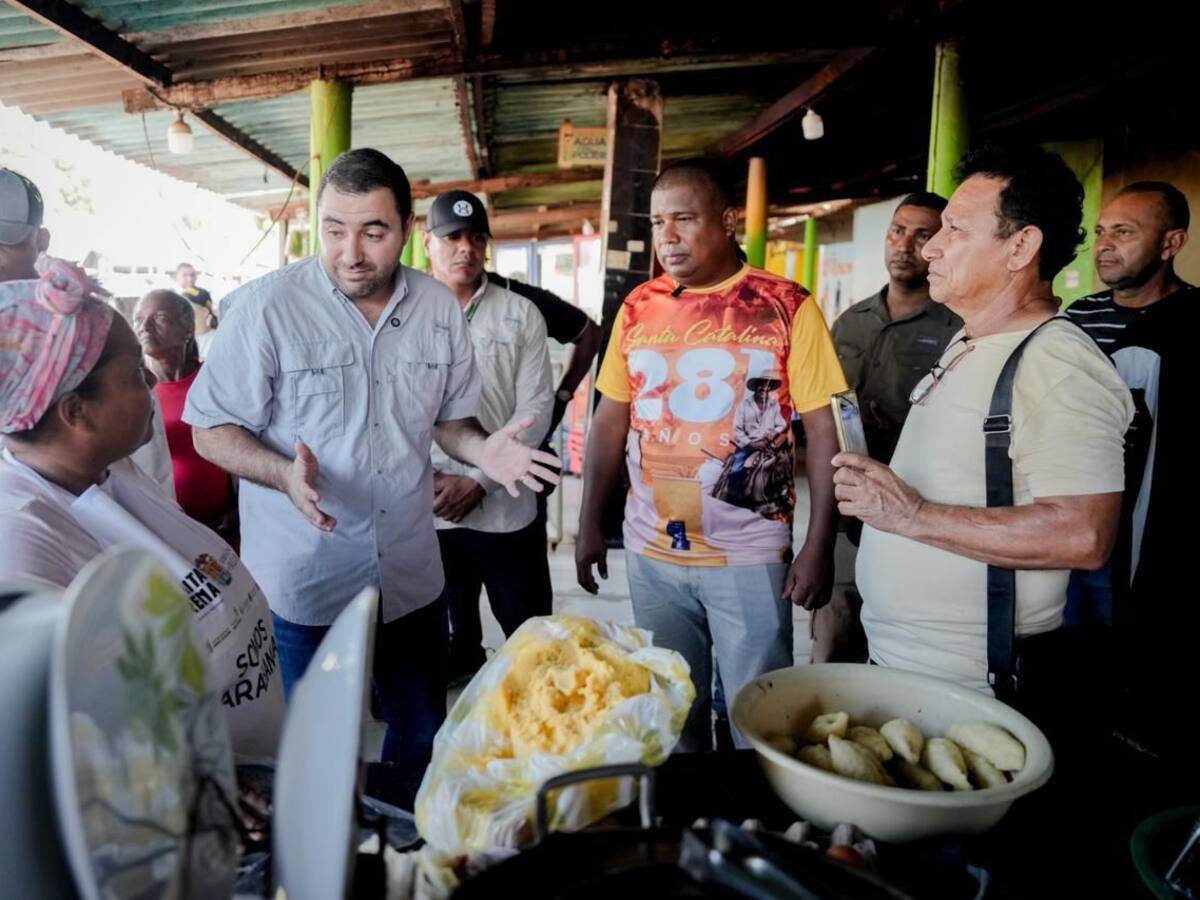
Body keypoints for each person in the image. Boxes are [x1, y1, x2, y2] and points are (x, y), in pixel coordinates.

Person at [183, 148, 559, 768]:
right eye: (334, 230)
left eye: (373, 231)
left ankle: (411, 851)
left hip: (410, 574)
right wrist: (281, 473)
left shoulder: (437, 309)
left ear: (407, 229)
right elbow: (210, 429)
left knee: (421, 738)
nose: (351, 252)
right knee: (312, 752)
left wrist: (481, 450)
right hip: (305, 579)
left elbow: (451, 422)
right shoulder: (266, 309)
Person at [832, 143, 1133, 694]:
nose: (932, 250)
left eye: (955, 231)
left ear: (1020, 247)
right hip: (907, 665)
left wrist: (912, 515)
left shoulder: (1056, 362)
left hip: (970, 683)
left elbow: (1083, 532)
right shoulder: (968, 340)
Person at [576, 157, 847, 752]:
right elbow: (609, 421)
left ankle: (753, 832)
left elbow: (826, 432)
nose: (666, 237)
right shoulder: (638, 307)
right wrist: (588, 522)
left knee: (760, 718)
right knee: (674, 710)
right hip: (652, 550)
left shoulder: (786, 305)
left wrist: (820, 542)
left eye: (683, 219)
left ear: (726, 221)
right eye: (656, 222)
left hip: (749, 554)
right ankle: (689, 830)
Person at [0, 258, 284, 757]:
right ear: (75, 412)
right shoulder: (21, 545)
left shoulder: (115, 473)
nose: (151, 385)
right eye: (134, 373)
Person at [817, 192, 962, 664]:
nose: (905, 245)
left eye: (922, 234)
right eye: (898, 231)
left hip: (915, 509)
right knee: (835, 630)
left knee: (900, 642)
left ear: (942, 243)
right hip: (844, 507)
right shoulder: (850, 322)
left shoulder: (957, 327)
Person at [423, 190, 555, 682]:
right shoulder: (403, 312)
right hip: (429, 511)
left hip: (504, 509)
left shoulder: (520, 313)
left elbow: (535, 411)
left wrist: (480, 479)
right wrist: (426, 478)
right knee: (445, 633)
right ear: (427, 241)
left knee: (530, 638)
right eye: (452, 237)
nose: (465, 248)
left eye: (476, 237)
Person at [1064, 183, 1192, 626]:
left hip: (1150, 533)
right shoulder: (1075, 320)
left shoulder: (1192, 322)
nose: (1104, 245)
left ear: (1171, 243)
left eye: (1124, 232)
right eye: (1101, 232)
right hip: (1070, 525)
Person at [132, 289, 238, 545]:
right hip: (166, 533)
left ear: (187, 329)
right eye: (137, 319)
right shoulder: (133, 392)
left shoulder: (215, 381)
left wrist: (240, 509)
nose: (144, 326)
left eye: (158, 318)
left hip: (225, 527)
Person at [174, 263, 218, 358]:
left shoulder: (217, 339)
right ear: (177, 277)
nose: (190, 279)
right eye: (185, 275)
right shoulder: (177, 340)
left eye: (192, 275)